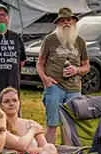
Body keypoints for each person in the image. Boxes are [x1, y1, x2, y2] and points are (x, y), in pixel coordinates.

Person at [36, 7, 90, 144]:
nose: (66, 23)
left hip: (74, 88)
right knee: (52, 124)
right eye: (62, 20)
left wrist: (77, 70)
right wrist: (44, 79)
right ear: (58, 23)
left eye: (69, 20)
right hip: (54, 86)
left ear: (74, 22)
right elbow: (40, 63)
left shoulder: (80, 42)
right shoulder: (49, 40)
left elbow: (87, 66)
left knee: (70, 126)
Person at [0, 87, 63, 154]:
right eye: (6, 101)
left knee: (51, 148)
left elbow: (45, 148)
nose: (11, 103)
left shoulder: (30, 123)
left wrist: (27, 151)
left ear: (19, 103)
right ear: (1, 105)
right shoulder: (0, 126)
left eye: (14, 100)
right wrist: (32, 133)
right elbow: (21, 147)